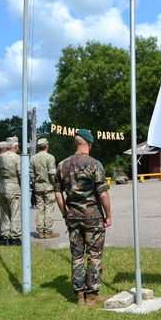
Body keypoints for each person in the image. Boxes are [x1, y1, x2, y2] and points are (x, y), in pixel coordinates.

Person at [54, 129, 111, 306]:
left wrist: (65, 214)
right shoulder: (95, 164)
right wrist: (108, 215)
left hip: (73, 218)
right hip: (93, 217)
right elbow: (103, 195)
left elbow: (57, 193)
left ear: (76, 143)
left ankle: (79, 295)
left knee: (76, 256)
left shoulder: (62, 164)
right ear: (89, 143)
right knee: (94, 255)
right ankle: (92, 295)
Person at [0, 137, 22, 245]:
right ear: (16, 146)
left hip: (2, 187)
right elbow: (21, 174)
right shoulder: (18, 158)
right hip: (14, 187)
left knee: (4, 213)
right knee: (15, 213)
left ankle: (5, 237)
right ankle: (15, 237)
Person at [30, 138, 59, 239]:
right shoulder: (50, 157)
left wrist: (34, 185)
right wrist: (55, 185)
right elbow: (52, 174)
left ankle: (41, 232)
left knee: (40, 209)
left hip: (38, 187)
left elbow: (32, 175)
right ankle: (48, 231)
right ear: (46, 146)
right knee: (49, 208)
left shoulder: (33, 158)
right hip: (48, 187)